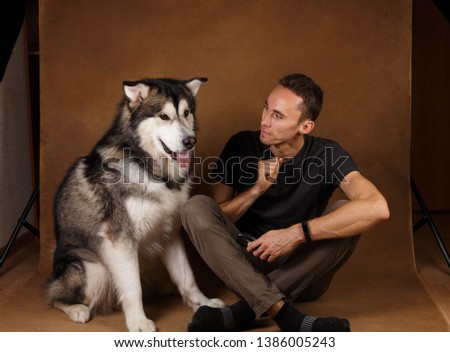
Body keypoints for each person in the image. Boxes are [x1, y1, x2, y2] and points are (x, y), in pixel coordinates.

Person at [181, 73, 389, 332]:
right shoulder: (241, 144)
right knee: (195, 206)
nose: (264, 121)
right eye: (266, 108)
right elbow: (216, 217)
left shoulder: (327, 153)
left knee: (349, 214)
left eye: (277, 116)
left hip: (303, 271)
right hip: (243, 266)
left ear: (305, 126)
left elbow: (377, 207)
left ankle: (243, 312)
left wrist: (296, 234)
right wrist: (256, 190)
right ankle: (287, 317)